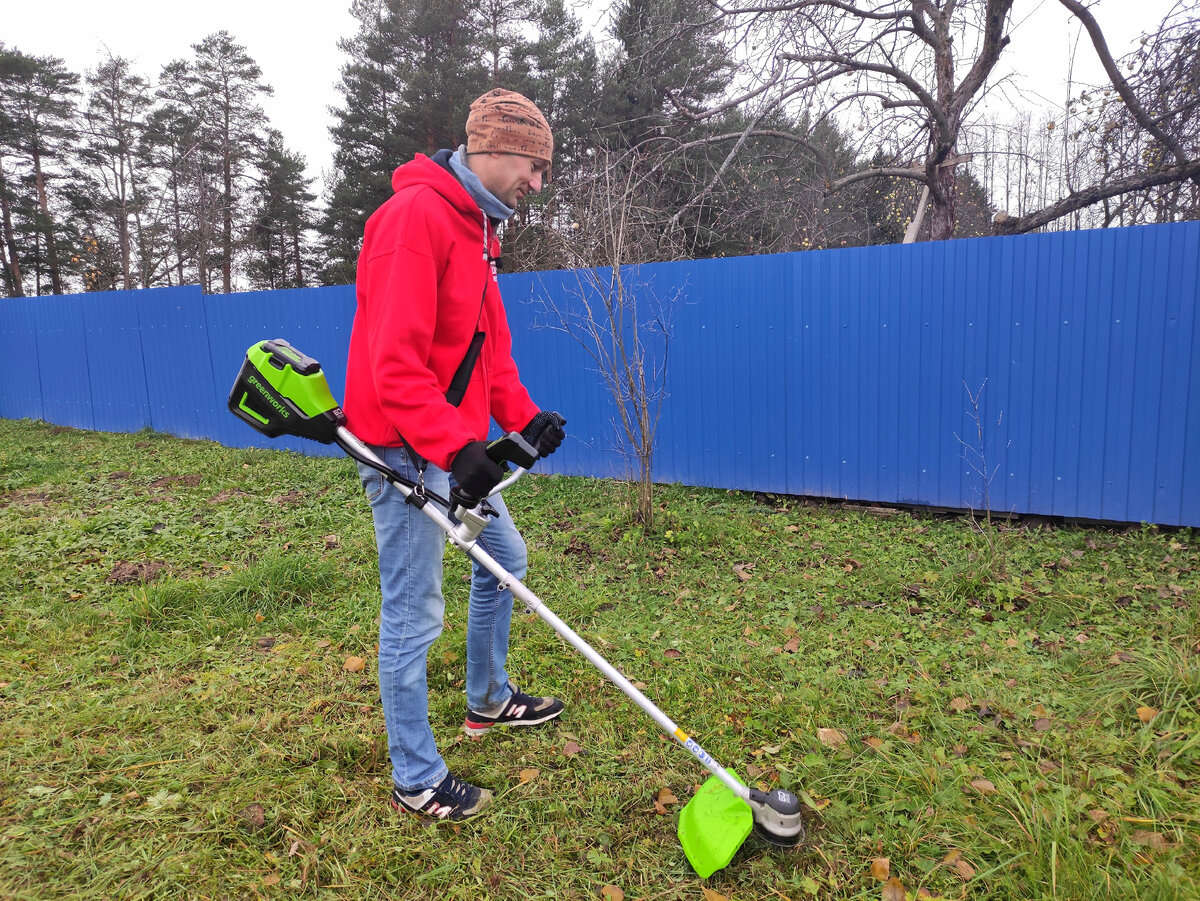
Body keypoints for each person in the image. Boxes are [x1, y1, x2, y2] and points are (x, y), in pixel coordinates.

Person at [342, 88, 568, 822]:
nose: (538, 183)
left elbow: (491, 358)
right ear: (498, 148)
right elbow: (394, 369)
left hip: (448, 444)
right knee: (413, 613)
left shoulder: (478, 233)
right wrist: (455, 450)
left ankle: (488, 699)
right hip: (401, 450)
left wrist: (526, 420)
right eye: (535, 166)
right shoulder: (414, 220)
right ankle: (416, 775)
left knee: (505, 557)